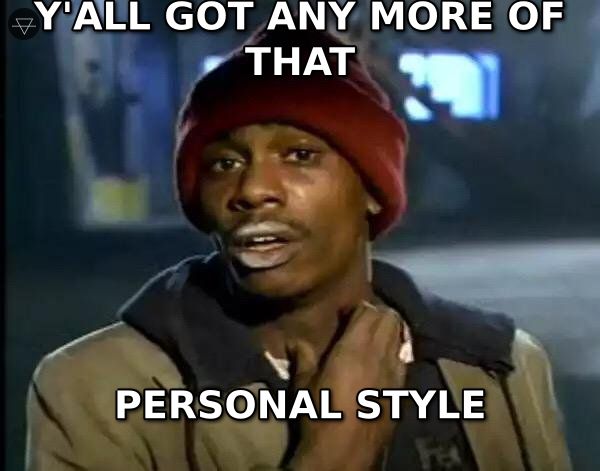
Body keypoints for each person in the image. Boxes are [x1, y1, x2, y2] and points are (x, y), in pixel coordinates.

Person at [25, 26, 571, 471]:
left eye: (300, 155)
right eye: (224, 163)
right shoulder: (91, 390)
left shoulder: (501, 363)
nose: (252, 190)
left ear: (372, 191)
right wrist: (332, 455)